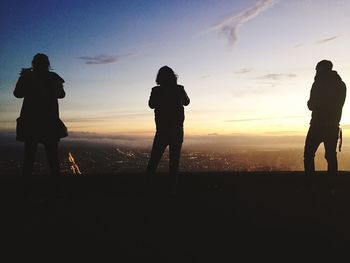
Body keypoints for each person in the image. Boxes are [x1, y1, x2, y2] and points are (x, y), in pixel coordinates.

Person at [14, 53, 67, 177]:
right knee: (52, 155)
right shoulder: (53, 77)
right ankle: (56, 186)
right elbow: (62, 95)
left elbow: (17, 93)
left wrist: (24, 78)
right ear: (47, 64)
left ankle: (26, 186)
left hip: (31, 120)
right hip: (49, 120)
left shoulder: (28, 76)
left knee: (29, 155)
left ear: (34, 63)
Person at [146, 66, 190, 185]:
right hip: (177, 130)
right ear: (173, 77)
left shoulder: (156, 91)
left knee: (154, 159)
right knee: (174, 162)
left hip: (162, 129)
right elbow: (187, 102)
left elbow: (151, 105)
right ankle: (172, 189)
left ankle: (146, 184)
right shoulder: (179, 89)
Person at [304, 60, 346, 175]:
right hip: (333, 126)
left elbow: (311, 105)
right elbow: (338, 104)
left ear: (321, 69)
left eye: (317, 68)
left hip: (317, 125)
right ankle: (332, 185)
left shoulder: (318, 83)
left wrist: (314, 104)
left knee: (308, 155)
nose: (316, 71)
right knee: (331, 156)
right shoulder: (341, 84)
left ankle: (309, 183)